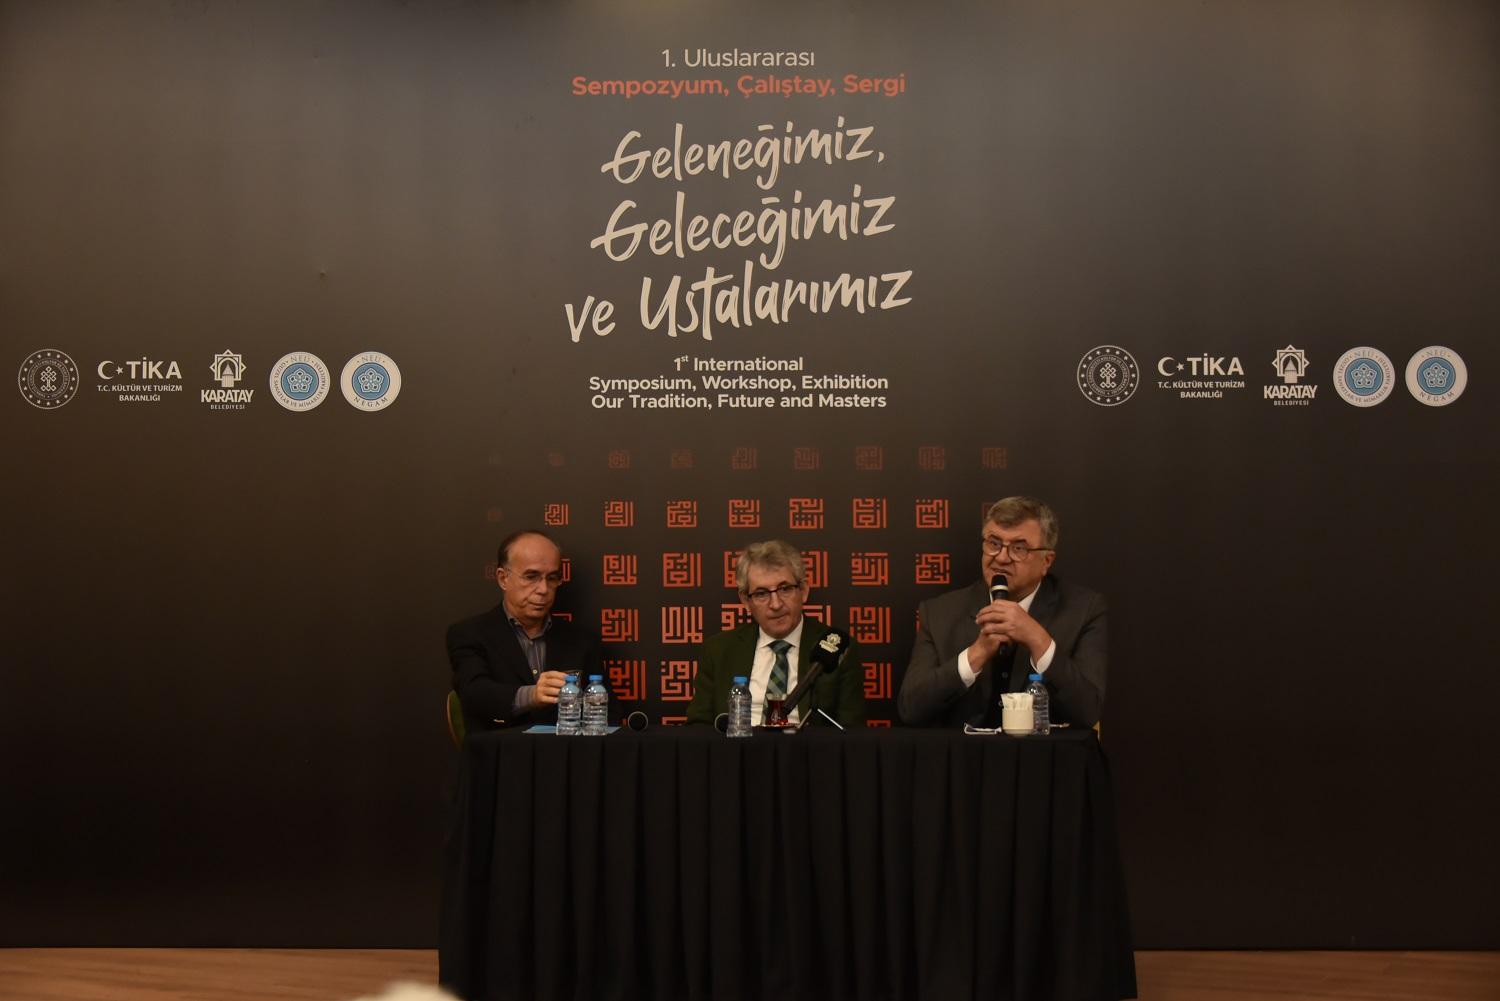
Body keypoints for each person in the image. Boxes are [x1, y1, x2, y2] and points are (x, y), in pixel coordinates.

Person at [898, 496, 1106, 728]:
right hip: (963, 750)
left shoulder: (1083, 610)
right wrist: (976, 654)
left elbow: (1087, 711)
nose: (1002, 557)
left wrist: (1038, 640)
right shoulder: (939, 613)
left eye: (1019, 548)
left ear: (1046, 561)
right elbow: (911, 709)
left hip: (1043, 751)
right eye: (994, 543)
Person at [687, 539, 866, 728]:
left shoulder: (837, 649)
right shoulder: (718, 650)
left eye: (785, 589)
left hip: (808, 746)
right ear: (746, 601)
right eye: (761, 594)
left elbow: (851, 731)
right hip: (738, 745)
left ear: (803, 591)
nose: (776, 604)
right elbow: (698, 727)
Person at [447, 530, 602, 731]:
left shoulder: (582, 641)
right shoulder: (469, 634)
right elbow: (474, 693)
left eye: (552, 578)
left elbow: (606, 711)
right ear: (503, 578)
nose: (543, 589)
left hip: (565, 749)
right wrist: (532, 695)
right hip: (500, 747)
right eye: (531, 577)